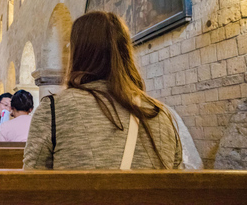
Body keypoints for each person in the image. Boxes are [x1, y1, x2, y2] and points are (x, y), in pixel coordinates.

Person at [24, 11, 182, 169]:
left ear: (78, 53)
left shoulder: (53, 110)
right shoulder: (161, 114)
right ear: (126, 51)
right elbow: (177, 182)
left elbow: (32, 183)